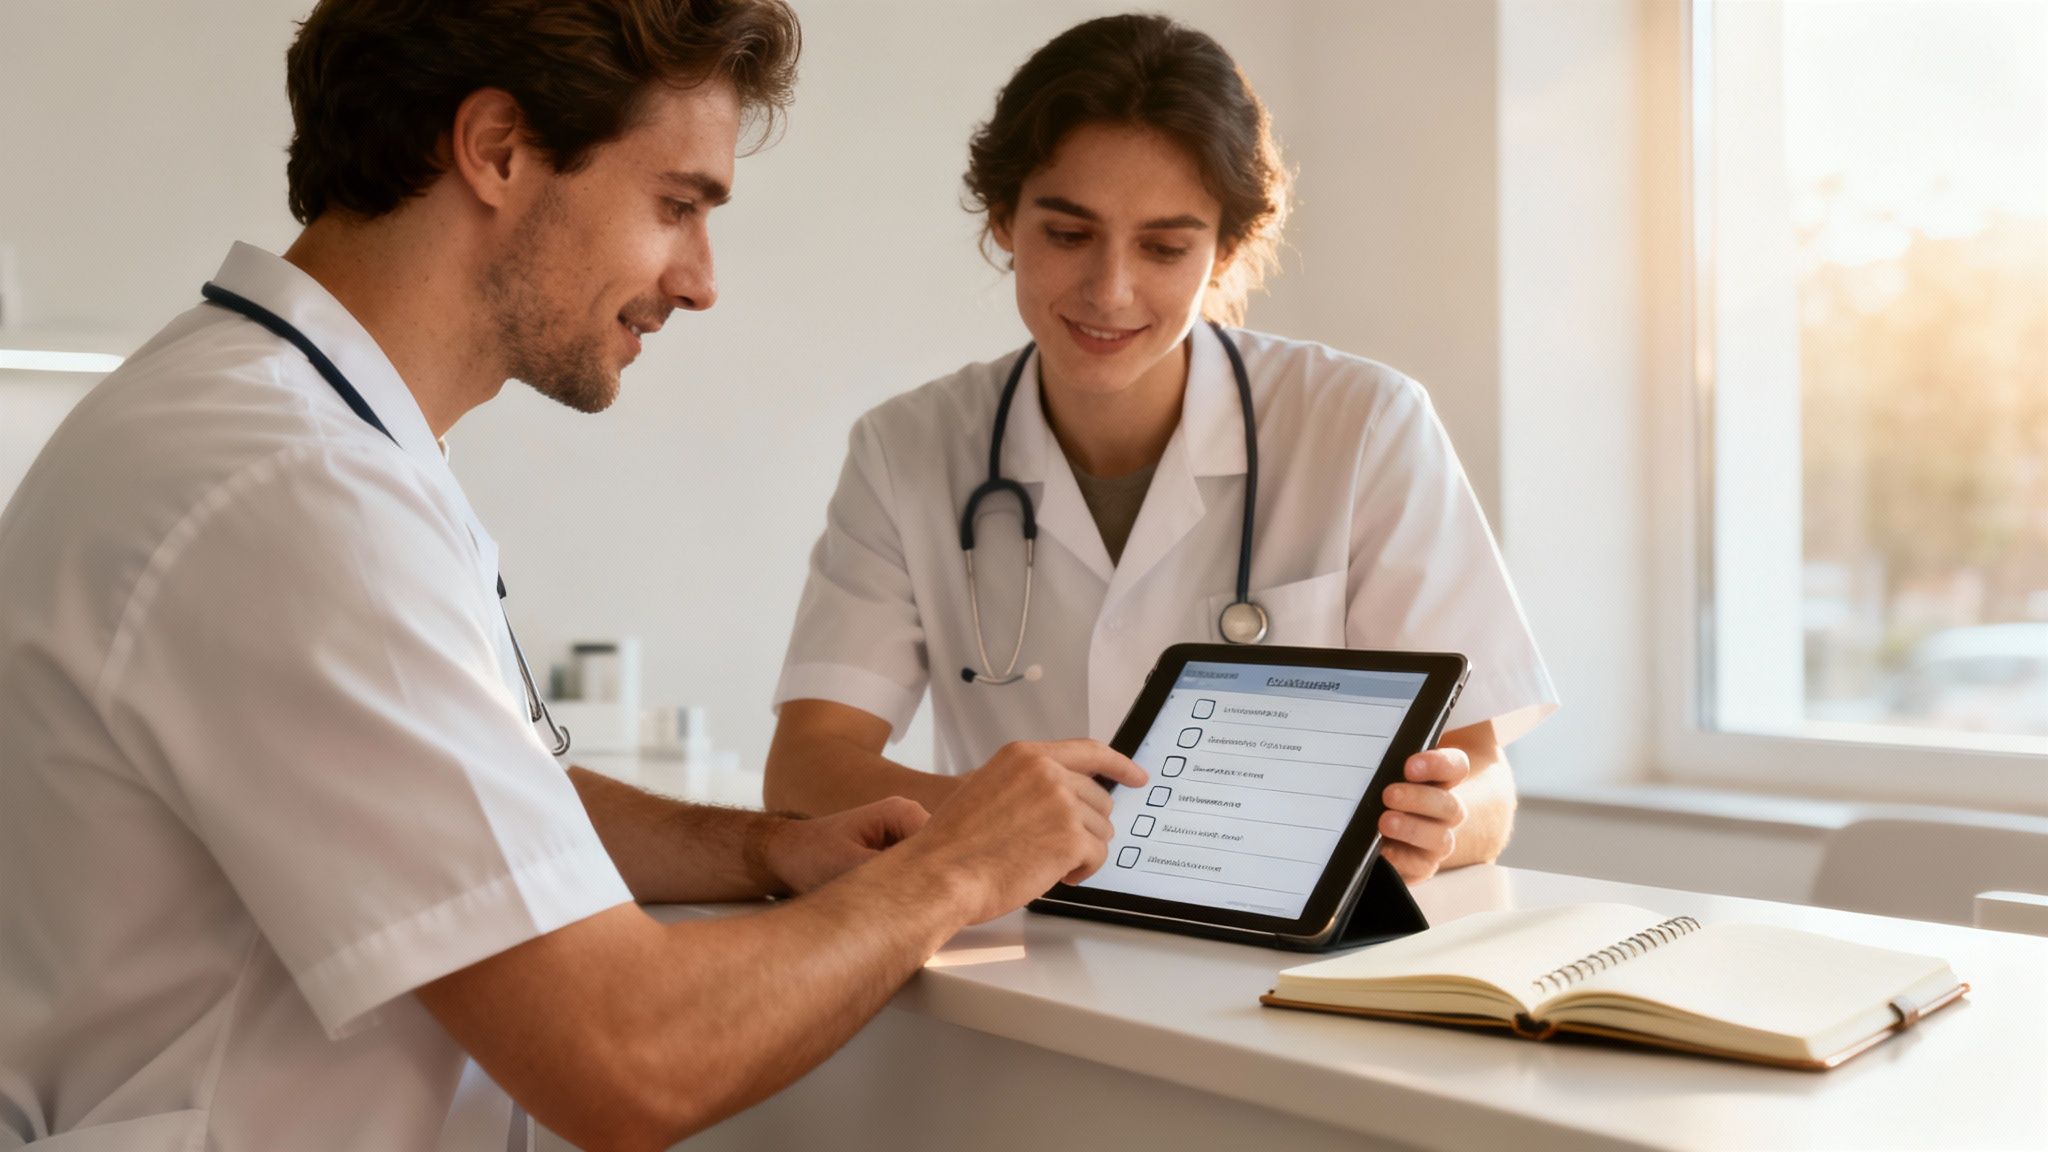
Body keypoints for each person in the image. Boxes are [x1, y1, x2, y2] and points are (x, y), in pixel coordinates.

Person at [0, 3, 1144, 1148]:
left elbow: (476, 805)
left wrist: (758, 849)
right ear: (496, 149)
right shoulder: (291, 490)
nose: (698, 281)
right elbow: (625, 1060)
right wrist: (951, 870)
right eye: (677, 205)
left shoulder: (275, 426)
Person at [766, 14, 1557, 884]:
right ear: (1003, 218)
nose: (1110, 290)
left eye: (1165, 247)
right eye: (1068, 234)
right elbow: (807, 769)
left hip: (1272, 964)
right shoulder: (906, 447)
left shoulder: (1365, 424)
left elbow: (1484, 781)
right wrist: (1009, 818)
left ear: (1226, 250)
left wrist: (1442, 823)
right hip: (1015, 950)